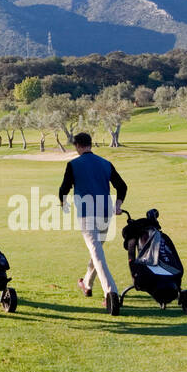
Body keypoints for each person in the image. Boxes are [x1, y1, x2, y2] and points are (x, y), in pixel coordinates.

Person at [57, 131, 128, 312]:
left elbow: (63, 189)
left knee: (97, 254)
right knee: (97, 252)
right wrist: (118, 205)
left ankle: (110, 293)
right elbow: (122, 186)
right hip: (106, 213)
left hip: (87, 215)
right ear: (90, 144)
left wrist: (63, 203)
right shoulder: (106, 163)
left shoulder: (73, 164)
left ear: (78, 146)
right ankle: (87, 284)